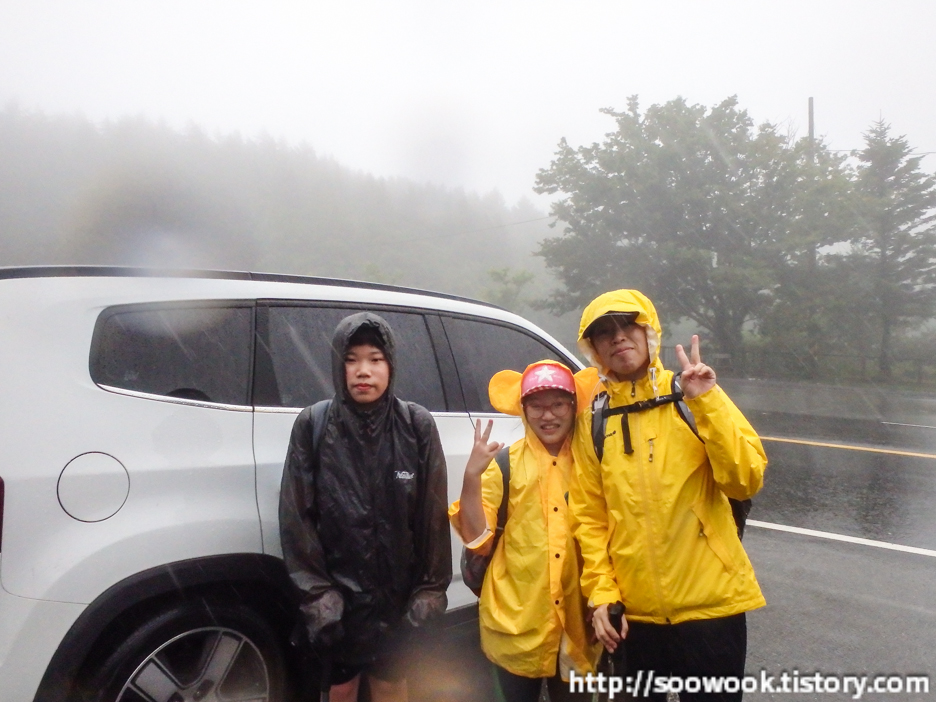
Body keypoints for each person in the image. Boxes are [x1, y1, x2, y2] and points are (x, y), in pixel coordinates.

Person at [570, 290, 767, 702]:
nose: (618, 337)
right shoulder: (595, 420)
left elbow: (744, 480)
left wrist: (706, 402)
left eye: (628, 325)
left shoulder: (692, 395)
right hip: (635, 618)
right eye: (604, 332)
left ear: (648, 332)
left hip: (712, 608)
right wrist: (602, 593)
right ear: (594, 349)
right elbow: (590, 518)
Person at [279, 312, 452, 702]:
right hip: (339, 600)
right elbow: (297, 518)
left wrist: (430, 589)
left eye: (375, 359)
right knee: (341, 687)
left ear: (390, 365)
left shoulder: (416, 424)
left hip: (398, 598)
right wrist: (319, 595)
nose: (363, 371)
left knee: (391, 685)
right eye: (351, 359)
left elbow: (432, 517)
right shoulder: (313, 424)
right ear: (337, 366)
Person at [449, 360, 602, 702]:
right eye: (537, 406)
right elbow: (478, 540)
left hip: (580, 627)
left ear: (574, 406)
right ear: (523, 409)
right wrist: (472, 476)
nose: (548, 416)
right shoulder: (504, 464)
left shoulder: (592, 462)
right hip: (516, 626)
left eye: (558, 404)